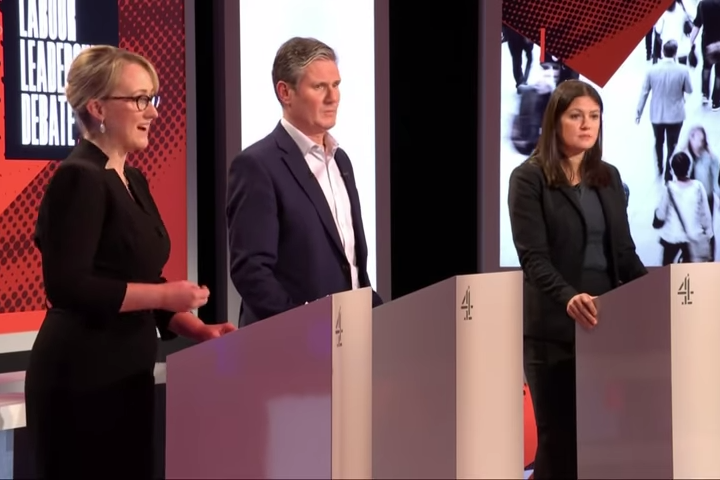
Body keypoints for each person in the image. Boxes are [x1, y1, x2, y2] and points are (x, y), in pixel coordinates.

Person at [24, 45, 236, 478]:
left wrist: (196, 327)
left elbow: (137, 278)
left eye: (152, 98)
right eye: (139, 99)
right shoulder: (77, 178)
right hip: (81, 379)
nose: (152, 112)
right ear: (98, 107)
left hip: (125, 374)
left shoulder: (131, 176)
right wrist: (165, 293)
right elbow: (70, 285)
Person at [507, 80, 648, 479]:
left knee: (601, 438)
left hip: (605, 329)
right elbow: (533, 259)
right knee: (559, 440)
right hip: (553, 330)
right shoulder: (528, 179)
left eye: (594, 116)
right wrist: (569, 297)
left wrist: (660, 294)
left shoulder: (607, 176)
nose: (587, 125)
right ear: (555, 120)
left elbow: (623, 253)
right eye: (576, 115)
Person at [226, 36, 382, 326]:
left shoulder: (341, 160)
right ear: (285, 92)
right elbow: (251, 271)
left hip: (349, 336)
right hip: (292, 344)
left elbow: (352, 264)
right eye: (319, 86)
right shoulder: (257, 165)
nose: (333, 97)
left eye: (336, 85)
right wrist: (304, 326)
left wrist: (380, 316)